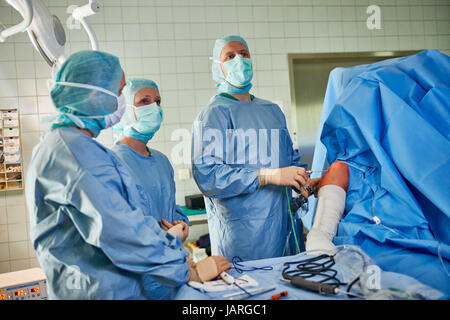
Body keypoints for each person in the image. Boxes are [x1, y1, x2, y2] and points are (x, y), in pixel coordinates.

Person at [25, 50, 231, 300]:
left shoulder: (71, 148)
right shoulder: (74, 153)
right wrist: (187, 270)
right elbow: (121, 233)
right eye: (119, 91)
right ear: (94, 94)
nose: (121, 101)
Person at [304, 50, 450, 294]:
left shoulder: (409, 159)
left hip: (422, 241)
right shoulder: (345, 164)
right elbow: (321, 233)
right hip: (369, 244)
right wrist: (319, 244)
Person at [191, 35, 310, 261]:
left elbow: (289, 160)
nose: (239, 59)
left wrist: (304, 180)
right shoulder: (213, 114)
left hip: (285, 231)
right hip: (244, 239)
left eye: (244, 54)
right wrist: (267, 176)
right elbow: (208, 176)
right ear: (218, 67)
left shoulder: (272, 111)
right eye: (230, 56)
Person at [111, 78, 190, 299]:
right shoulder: (113, 162)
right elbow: (118, 232)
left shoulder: (162, 161)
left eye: (157, 101)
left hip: (173, 268)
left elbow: (171, 211)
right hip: (139, 278)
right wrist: (162, 238)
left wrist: (181, 227)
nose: (153, 108)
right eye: (144, 101)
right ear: (125, 109)